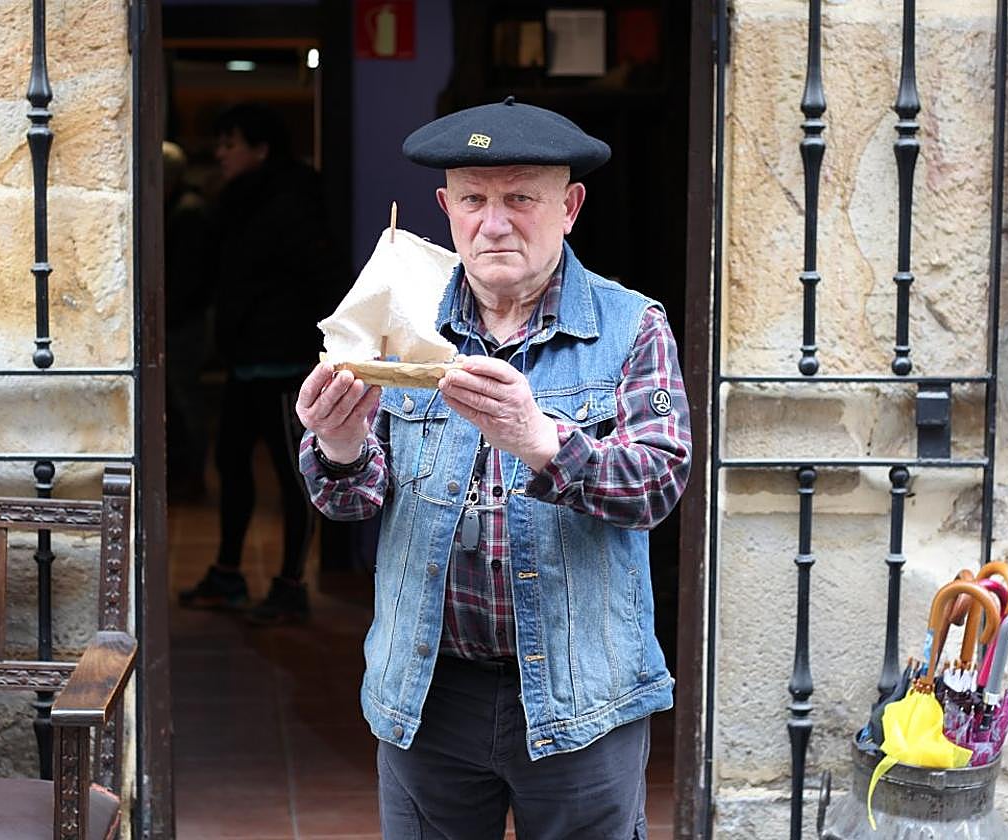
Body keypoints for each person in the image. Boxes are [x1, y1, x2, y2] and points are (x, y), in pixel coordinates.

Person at [295, 97, 692, 839]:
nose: (495, 221)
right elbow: (349, 504)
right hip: (429, 691)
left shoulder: (632, 325)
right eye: (474, 199)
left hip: (583, 698)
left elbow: (658, 485)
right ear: (446, 208)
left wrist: (542, 439)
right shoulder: (396, 319)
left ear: (569, 207)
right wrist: (341, 446)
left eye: (520, 198)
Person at [179, 104, 341, 623]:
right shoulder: (232, 205)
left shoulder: (294, 203)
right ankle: (228, 573)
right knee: (231, 467)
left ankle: (291, 585)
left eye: (231, 143)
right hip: (244, 362)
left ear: (262, 149)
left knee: (298, 476)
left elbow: (321, 282)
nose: (221, 153)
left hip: (285, 367)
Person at [162, 141, 215, 500]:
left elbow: (189, 277)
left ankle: (191, 476)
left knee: (187, 401)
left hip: (184, 322)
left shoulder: (189, 212)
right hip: (177, 319)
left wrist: (169, 317)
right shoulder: (176, 208)